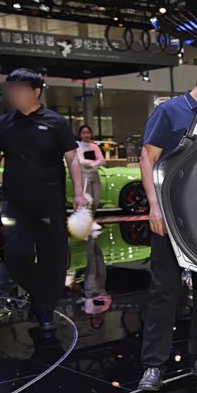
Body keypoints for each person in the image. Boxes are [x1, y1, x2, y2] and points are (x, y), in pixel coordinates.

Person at [138, 55, 197, 391]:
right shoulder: (171, 111)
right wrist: (154, 206)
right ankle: (153, 365)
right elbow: (148, 157)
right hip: (170, 213)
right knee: (164, 289)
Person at [0, 68, 85, 329]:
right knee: (16, 255)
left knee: (53, 258)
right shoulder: (4, 123)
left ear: (36, 91)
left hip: (50, 203)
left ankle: (46, 309)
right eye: (10, 89)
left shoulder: (56, 122)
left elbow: (72, 159)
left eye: (19, 89)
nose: (13, 94)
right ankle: (42, 295)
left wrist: (80, 193)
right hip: (15, 203)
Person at [76, 124, 109, 305]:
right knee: (87, 202)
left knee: (96, 201)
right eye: (84, 132)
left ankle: (90, 220)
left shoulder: (95, 146)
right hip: (84, 178)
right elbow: (80, 161)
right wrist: (91, 163)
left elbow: (101, 160)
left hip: (94, 176)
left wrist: (94, 163)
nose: (86, 134)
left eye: (88, 132)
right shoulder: (77, 146)